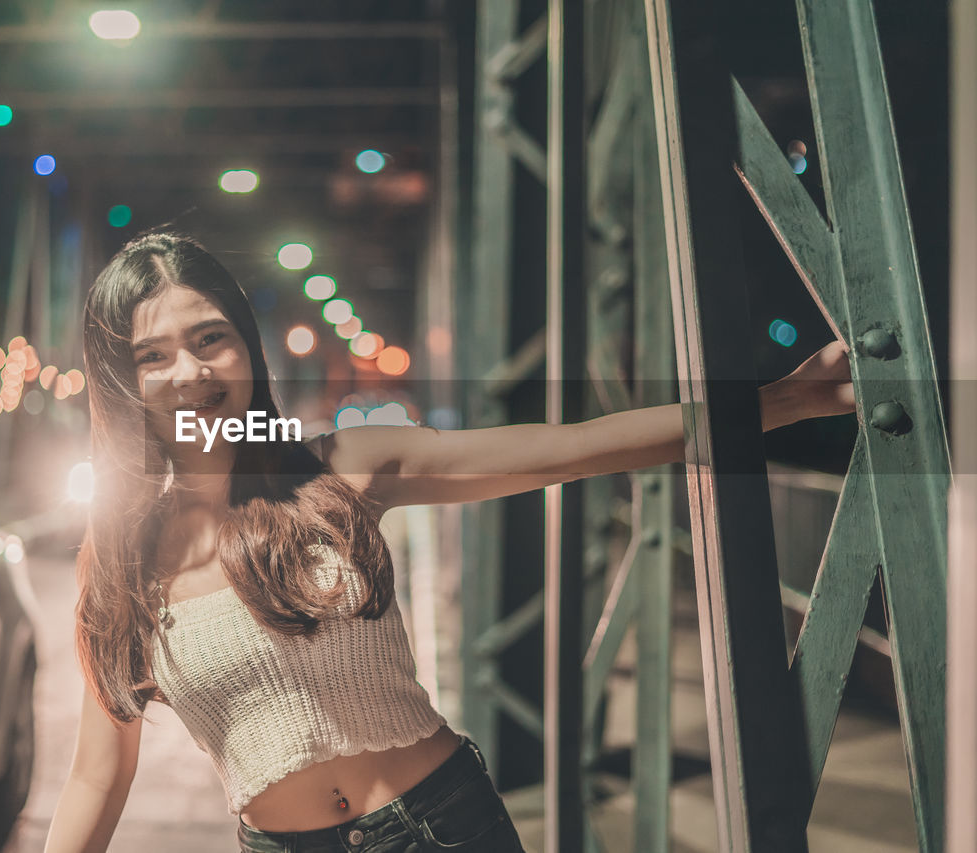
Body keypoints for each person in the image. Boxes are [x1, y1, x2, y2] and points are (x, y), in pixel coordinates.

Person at [42, 233, 855, 853]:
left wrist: (777, 405)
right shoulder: (121, 564)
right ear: (126, 383)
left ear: (245, 346)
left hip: (441, 825)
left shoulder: (341, 471)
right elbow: (95, 771)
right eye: (153, 355)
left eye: (208, 336)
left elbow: (570, 444)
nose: (188, 370)